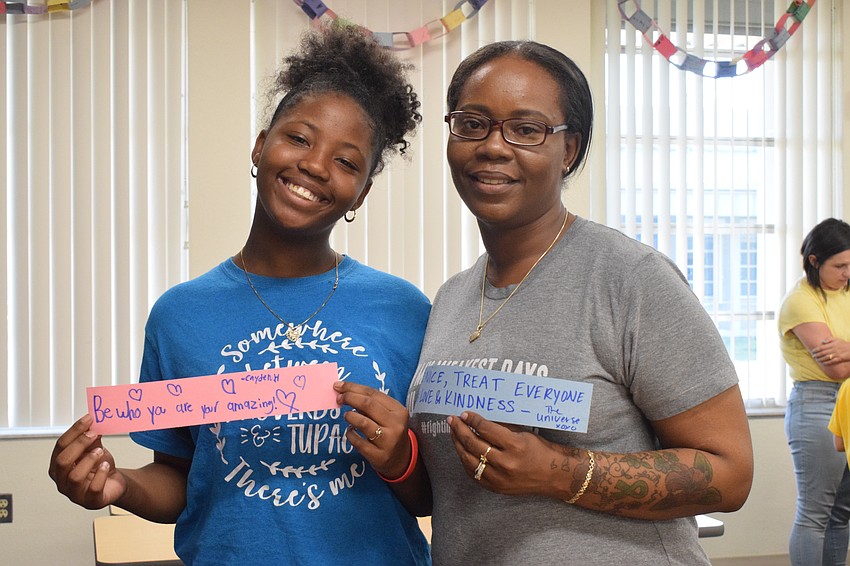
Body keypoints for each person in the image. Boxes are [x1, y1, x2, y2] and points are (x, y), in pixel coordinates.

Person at [48, 24, 432, 566]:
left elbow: (436, 493)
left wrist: (402, 459)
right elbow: (180, 478)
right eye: (298, 138)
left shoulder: (406, 310)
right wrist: (120, 486)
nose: (316, 166)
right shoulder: (179, 315)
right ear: (260, 144)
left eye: (347, 162)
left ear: (362, 192)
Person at [403, 40, 753, 564]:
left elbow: (730, 473)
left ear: (569, 150)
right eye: (473, 122)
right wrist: (395, 456)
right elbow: (456, 491)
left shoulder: (631, 279)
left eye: (526, 129)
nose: (493, 146)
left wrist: (558, 472)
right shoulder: (451, 300)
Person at [781, 218, 850, 565]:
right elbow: (835, 368)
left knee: (842, 515)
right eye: (840, 265)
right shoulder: (801, 301)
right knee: (815, 514)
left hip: (848, 403)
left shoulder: (847, 292)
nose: (847, 272)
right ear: (814, 261)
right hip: (818, 405)